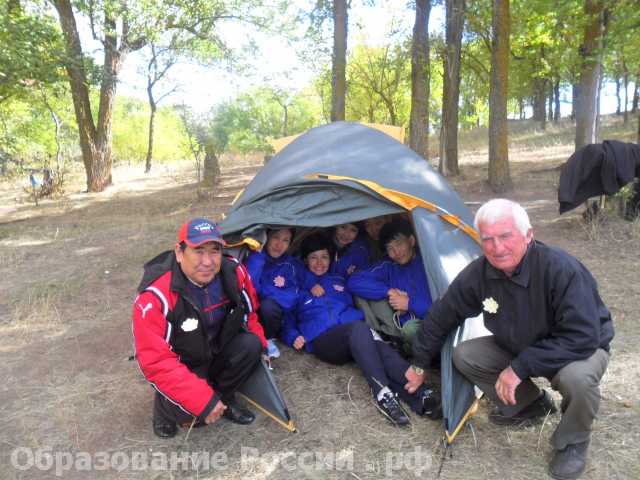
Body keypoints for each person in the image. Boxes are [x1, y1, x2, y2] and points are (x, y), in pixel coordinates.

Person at [406, 199, 614, 480]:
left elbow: (584, 336)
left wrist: (519, 367)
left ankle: (572, 442)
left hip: (575, 351)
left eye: (505, 236)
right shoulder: (480, 273)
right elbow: (443, 314)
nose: (496, 247)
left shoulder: (561, 269)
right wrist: (419, 363)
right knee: (465, 355)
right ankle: (531, 405)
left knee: (578, 380)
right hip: (519, 345)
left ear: (528, 235)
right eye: (487, 239)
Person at [281, 233, 440, 426]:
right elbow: (286, 317)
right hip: (324, 340)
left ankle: (422, 399)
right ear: (305, 260)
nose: (319, 263)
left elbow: (360, 265)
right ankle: (382, 393)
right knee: (361, 331)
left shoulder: (338, 279)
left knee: (375, 347)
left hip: (356, 337)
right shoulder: (298, 287)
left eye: (324, 257)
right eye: (313, 258)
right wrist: (292, 335)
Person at [132, 218, 267, 438]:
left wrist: (262, 346)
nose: (207, 261)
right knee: (190, 417)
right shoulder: (155, 297)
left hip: (217, 349)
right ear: (179, 252)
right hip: (183, 361)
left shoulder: (234, 273)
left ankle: (224, 399)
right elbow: (155, 361)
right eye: (198, 251)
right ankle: (164, 412)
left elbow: (250, 313)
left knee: (250, 344)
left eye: (214, 251)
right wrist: (200, 399)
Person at [347, 218, 433, 348]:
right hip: (400, 328)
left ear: (411, 241)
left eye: (399, 244)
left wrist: (408, 303)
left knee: (411, 329)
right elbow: (354, 281)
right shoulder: (389, 265)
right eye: (390, 248)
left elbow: (441, 307)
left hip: (429, 325)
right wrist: (388, 291)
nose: (396, 253)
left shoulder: (428, 264)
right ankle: (382, 339)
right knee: (362, 293)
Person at [245, 228, 303, 358]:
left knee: (268, 306)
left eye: (285, 240)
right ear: (266, 238)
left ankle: (268, 338)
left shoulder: (291, 265)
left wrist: (263, 291)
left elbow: (290, 298)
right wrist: (258, 255)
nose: (279, 244)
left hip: (274, 314)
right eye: (275, 237)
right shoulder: (255, 258)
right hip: (250, 309)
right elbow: (249, 284)